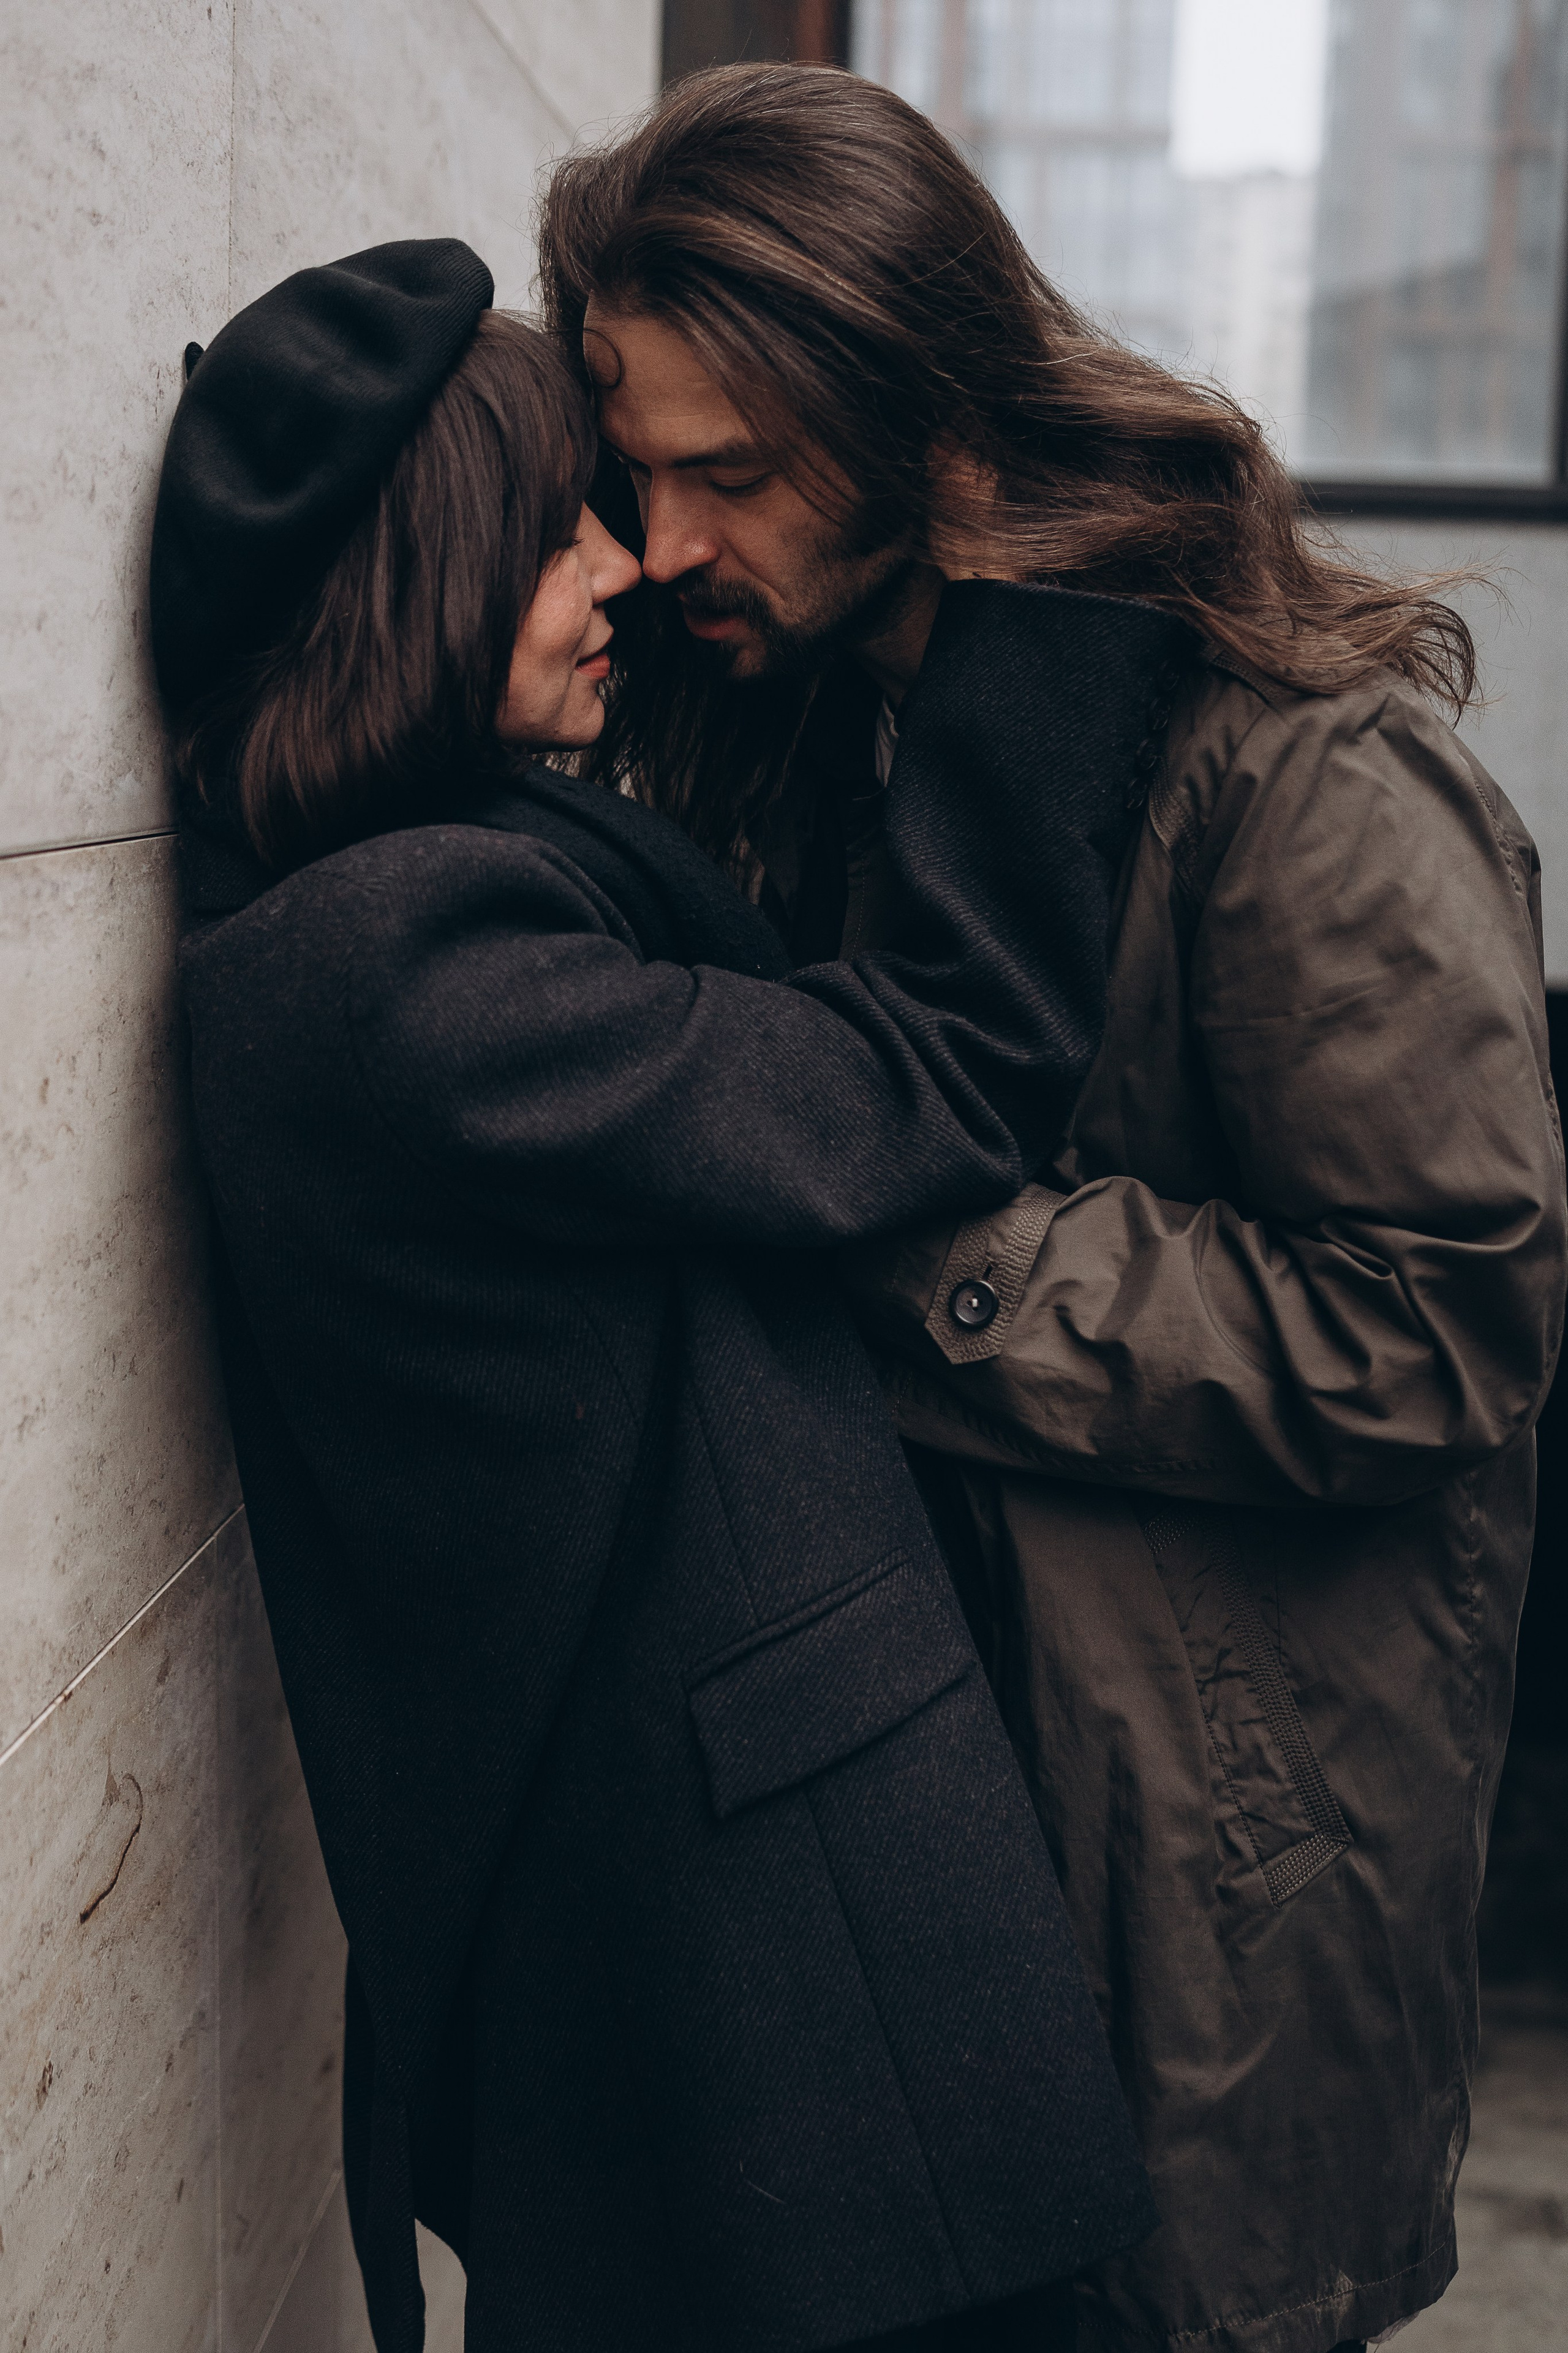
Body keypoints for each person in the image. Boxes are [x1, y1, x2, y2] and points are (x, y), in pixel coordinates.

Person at [539, 64, 1568, 2353]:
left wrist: (892, 1222)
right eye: (640, 474)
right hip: (924, 1888)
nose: (674, 538)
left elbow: (1440, 1319)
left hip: (1208, 1917)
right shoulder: (821, 721)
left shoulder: (1304, 760)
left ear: (927, 418)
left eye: (738, 471)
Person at [150, 240, 1194, 2351]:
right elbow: (922, 1075)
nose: (625, 569)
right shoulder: (396, 976)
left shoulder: (437, 897)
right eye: (564, 531)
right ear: (432, 580)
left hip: (740, 1973)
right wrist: (1023, 599)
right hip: (766, 2007)